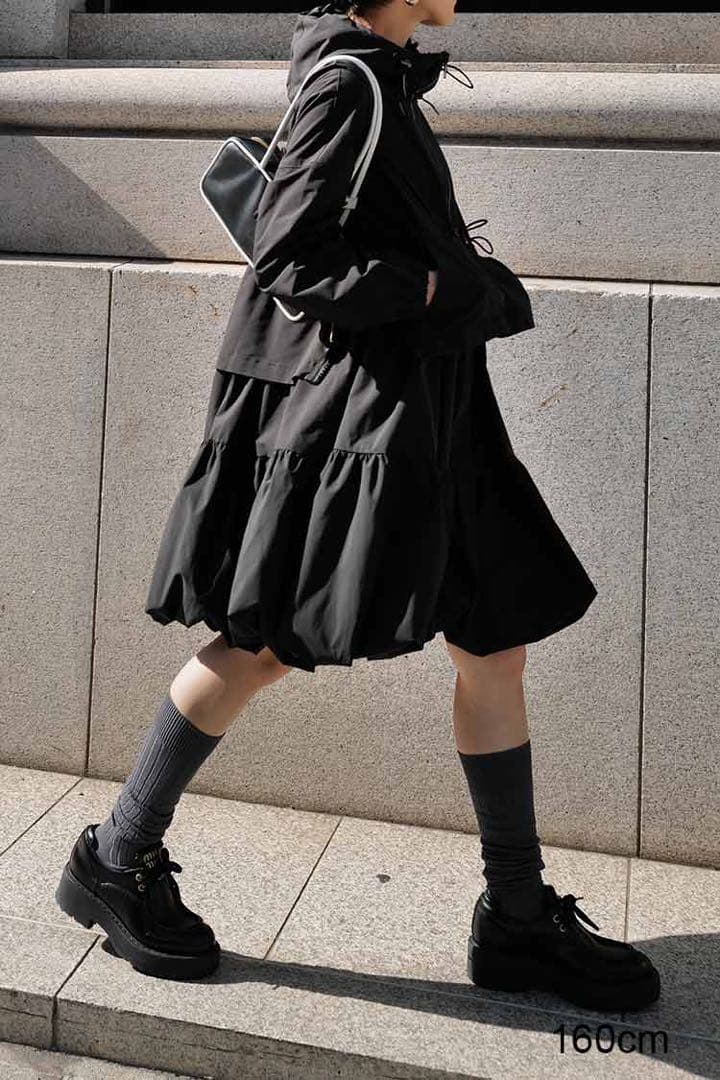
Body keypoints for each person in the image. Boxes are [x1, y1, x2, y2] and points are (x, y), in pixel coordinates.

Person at [56, 0, 660, 1012]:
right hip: (365, 427)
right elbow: (292, 258)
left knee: (494, 643)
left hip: (439, 419)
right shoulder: (349, 82)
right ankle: (115, 856)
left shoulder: (375, 74)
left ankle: (517, 918)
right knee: (264, 646)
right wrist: (433, 290)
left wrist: (446, 288)